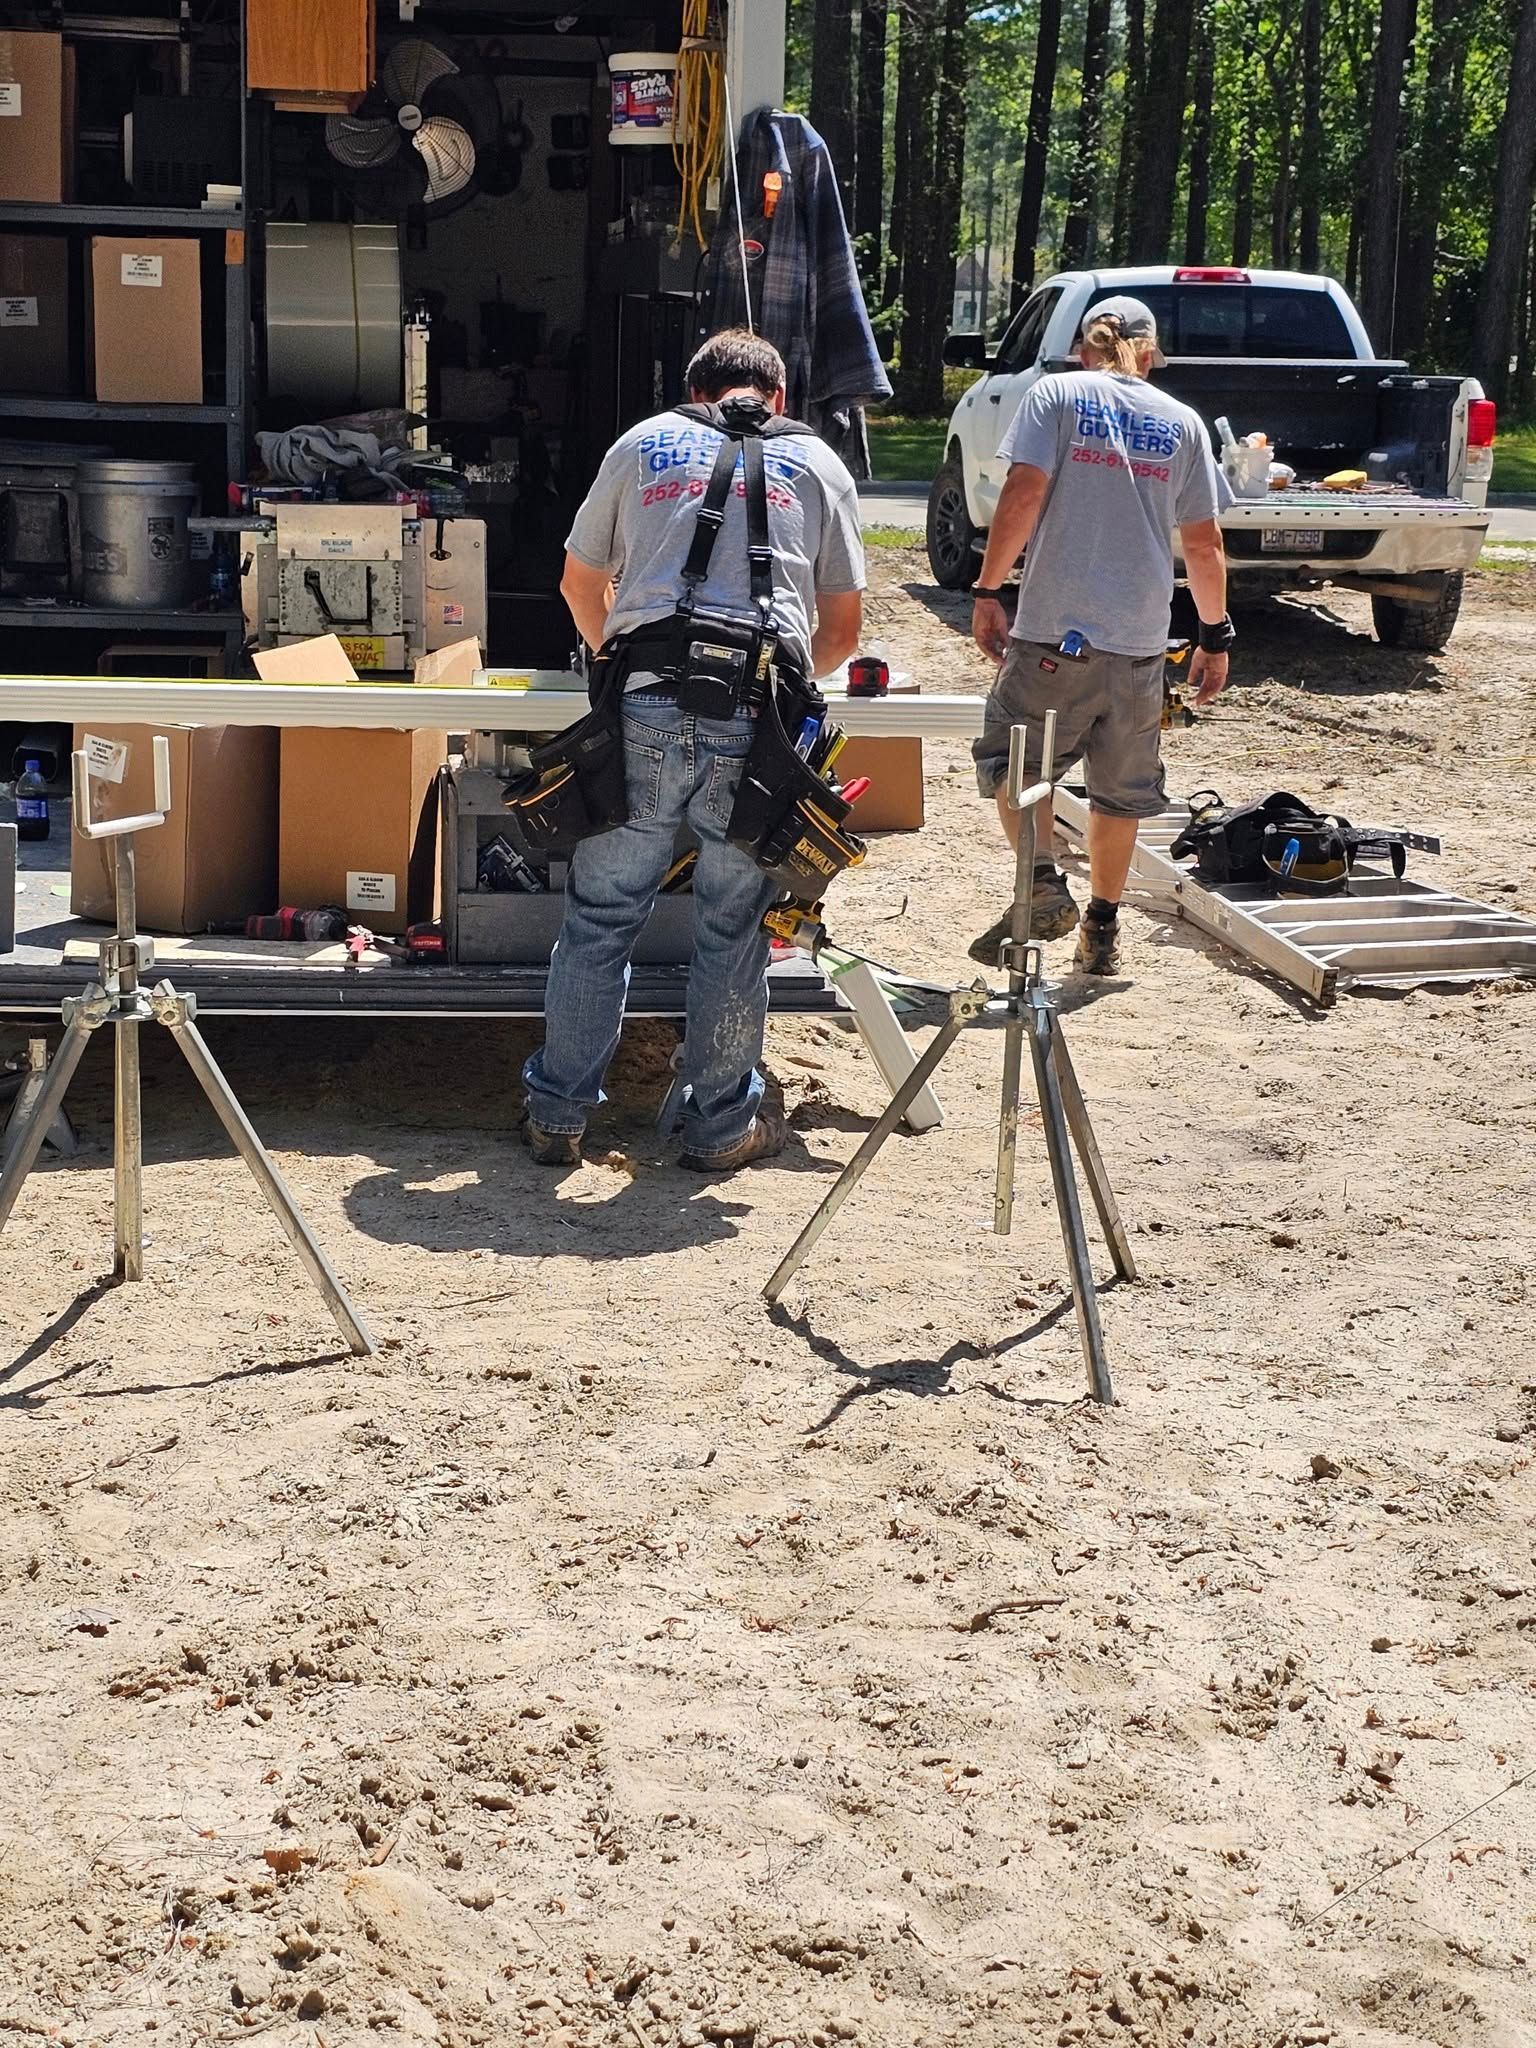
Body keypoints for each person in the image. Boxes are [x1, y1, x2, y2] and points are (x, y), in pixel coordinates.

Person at [520, 329, 866, 1170]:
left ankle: (559, 1116)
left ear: (694, 390)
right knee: (731, 926)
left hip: (640, 702)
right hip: (755, 719)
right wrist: (782, 690)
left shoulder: (641, 443)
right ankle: (718, 1129)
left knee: (601, 918)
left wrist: (618, 664)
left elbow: (576, 581)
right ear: (776, 398)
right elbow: (843, 629)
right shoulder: (819, 462)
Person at [968, 295, 1235, 975]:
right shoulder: (1181, 422)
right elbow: (1203, 545)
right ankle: (1103, 930)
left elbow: (1023, 494)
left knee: (1013, 760)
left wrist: (988, 588)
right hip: (1140, 644)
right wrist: (1213, 637)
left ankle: (1040, 881)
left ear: (1085, 348)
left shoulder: (1055, 394)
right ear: (1148, 353)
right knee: (1120, 793)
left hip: (1058, 633)